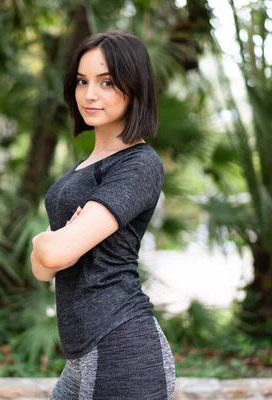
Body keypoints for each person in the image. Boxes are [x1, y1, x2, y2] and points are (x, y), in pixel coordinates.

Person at [30, 31, 175, 400]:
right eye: (82, 81)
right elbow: (43, 269)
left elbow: (53, 254)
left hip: (122, 350)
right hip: (82, 357)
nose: (89, 94)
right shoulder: (82, 170)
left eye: (106, 82)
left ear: (135, 87)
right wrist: (52, 246)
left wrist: (44, 242)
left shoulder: (139, 164)